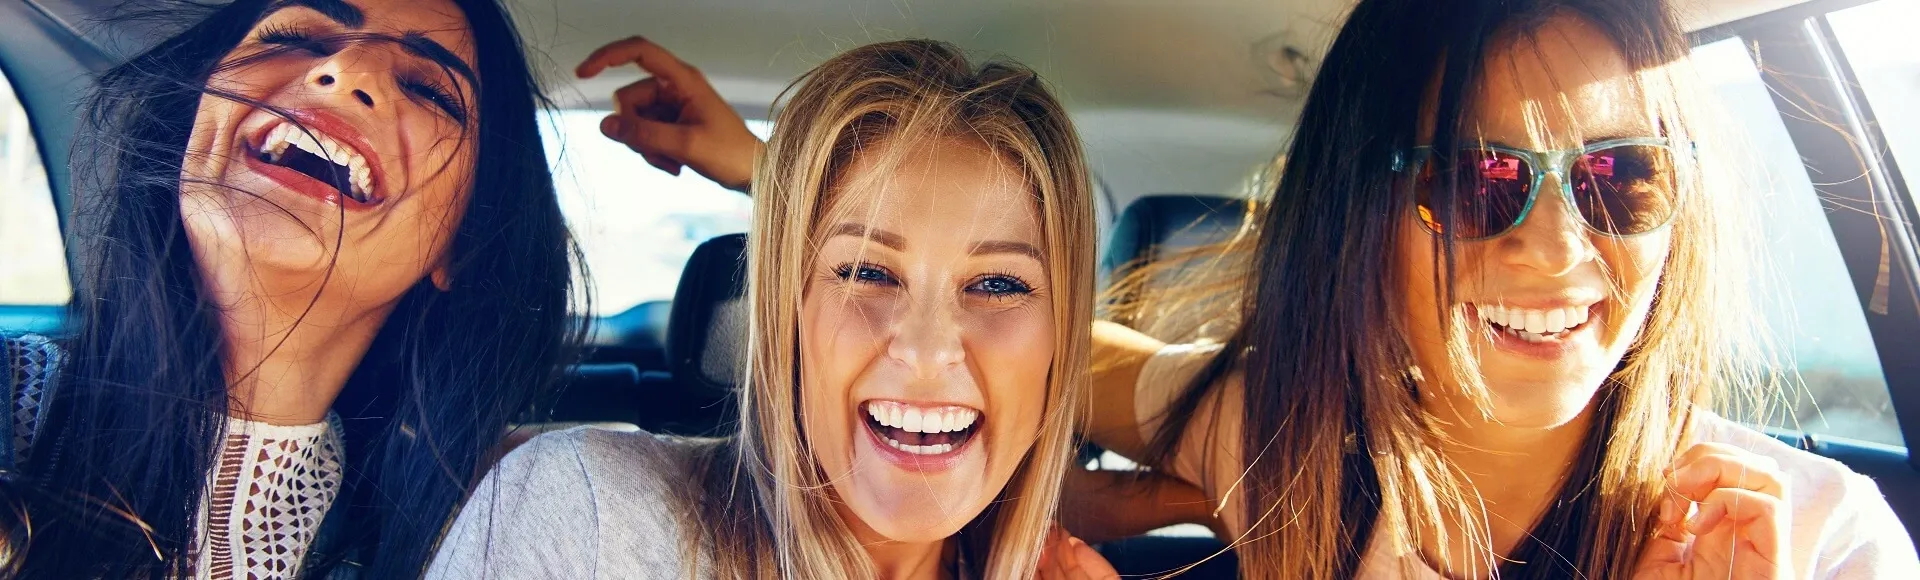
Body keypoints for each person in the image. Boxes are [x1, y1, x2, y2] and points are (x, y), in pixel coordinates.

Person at [1077, 0, 1920, 577]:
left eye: (1619, 174)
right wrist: (1124, 498)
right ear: (1356, 216)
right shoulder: (1283, 439)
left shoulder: (1826, 541)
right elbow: (1057, 361)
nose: (1556, 249)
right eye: (1472, 180)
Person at [426, 37, 1110, 579]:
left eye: (997, 284)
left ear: (1061, 343)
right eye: (867, 271)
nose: (928, 351)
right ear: (788, 312)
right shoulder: (590, 518)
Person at [1, 0, 580, 576]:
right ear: (191, 123)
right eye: (295, 36)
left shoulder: (490, 536)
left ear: (466, 241)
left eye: (429, 90)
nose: (346, 72)